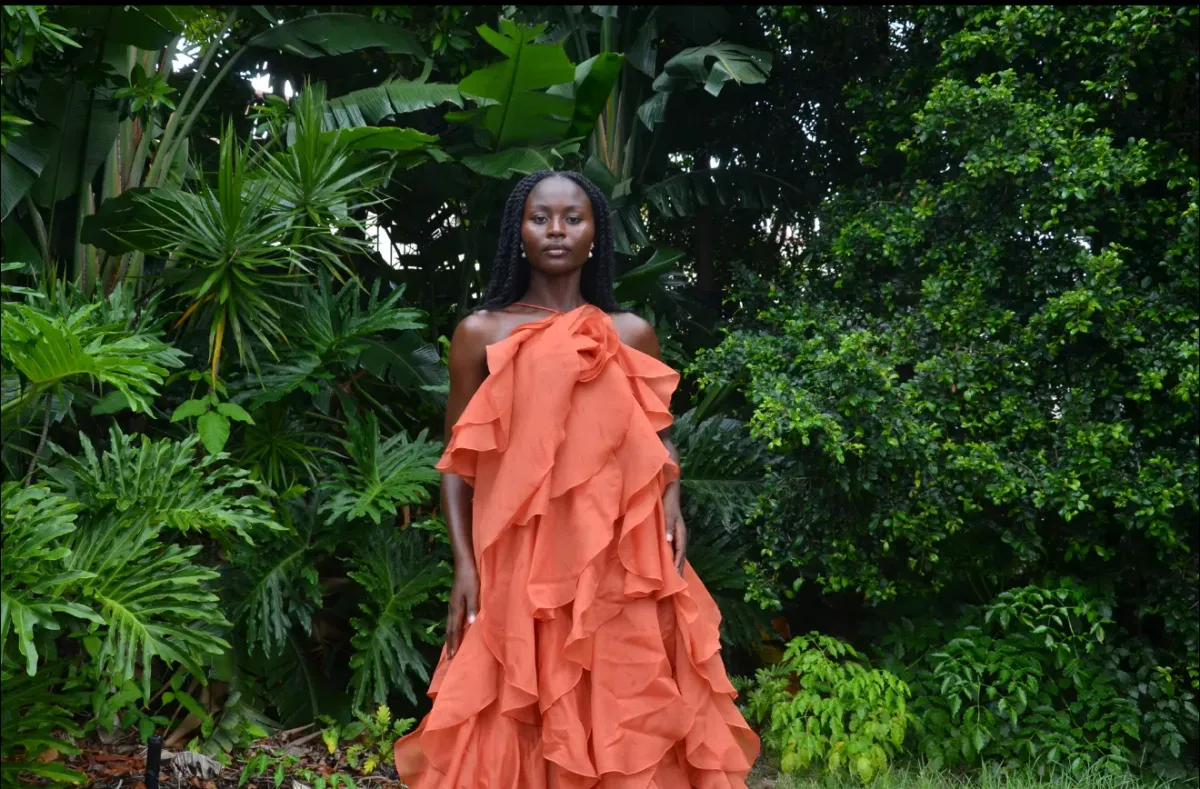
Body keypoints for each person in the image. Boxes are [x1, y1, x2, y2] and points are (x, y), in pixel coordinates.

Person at [393, 169, 759, 787]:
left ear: (597, 233)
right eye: (540, 218)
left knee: (622, 695)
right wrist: (464, 565)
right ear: (518, 231)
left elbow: (660, 442)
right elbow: (456, 463)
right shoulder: (480, 334)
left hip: (616, 558)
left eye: (572, 217)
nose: (556, 230)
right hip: (518, 563)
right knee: (514, 697)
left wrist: (671, 502)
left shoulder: (631, 333)